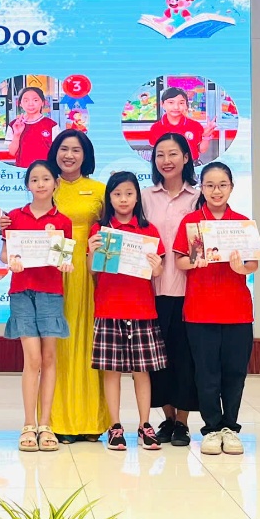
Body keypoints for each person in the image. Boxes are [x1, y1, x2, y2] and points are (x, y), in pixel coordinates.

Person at [174, 162, 256, 457]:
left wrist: (241, 267)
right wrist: (194, 262)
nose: (216, 191)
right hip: (200, 311)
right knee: (206, 373)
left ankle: (230, 428)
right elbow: (180, 261)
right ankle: (211, 429)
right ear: (202, 188)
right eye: (209, 185)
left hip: (237, 311)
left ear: (231, 187)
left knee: (234, 373)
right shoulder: (192, 223)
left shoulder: (242, 223)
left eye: (222, 185)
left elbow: (253, 264)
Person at [87, 172, 165, 452]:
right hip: (109, 308)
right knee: (111, 371)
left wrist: (156, 267)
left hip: (142, 309)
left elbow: (158, 271)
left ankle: (145, 425)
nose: (123, 199)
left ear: (137, 197)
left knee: (142, 371)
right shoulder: (100, 230)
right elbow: (92, 270)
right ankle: (115, 426)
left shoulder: (148, 230)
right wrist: (91, 252)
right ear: (109, 197)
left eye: (129, 193)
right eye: (117, 194)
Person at [2, 160, 74, 453]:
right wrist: (12, 260)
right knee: (32, 359)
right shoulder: (14, 217)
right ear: (27, 185)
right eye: (34, 179)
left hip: (51, 293)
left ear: (56, 182)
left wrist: (67, 264)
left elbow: (64, 257)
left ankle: (45, 425)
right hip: (21, 292)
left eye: (46, 178)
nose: (40, 184)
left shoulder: (63, 221)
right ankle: (28, 424)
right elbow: (5, 254)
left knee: (48, 358)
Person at [46, 130, 110, 443]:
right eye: (63, 149)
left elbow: (114, 227)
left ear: (86, 155)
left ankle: (92, 421)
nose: (69, 155)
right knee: (59, 343)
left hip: (91, 270)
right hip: (55, 269)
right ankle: (59, 421)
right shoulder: (46, 185)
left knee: (91, 342)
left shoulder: (100, 190)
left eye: (76, 150)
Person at [142, 132, 200, 447]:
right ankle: (166, 417)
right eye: (160, 155)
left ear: (186, 157)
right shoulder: (144, 196)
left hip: (191, 290)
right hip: (151, 290)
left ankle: (182, 422)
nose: (166, 160)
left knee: (185, 358)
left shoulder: (199, 197)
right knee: (157, 359)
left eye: (173, 153)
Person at [147, 87, 215, 163]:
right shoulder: (156, 128)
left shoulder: (195, 125)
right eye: (171, 102)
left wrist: (206, 136)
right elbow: (155, 151)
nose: (176, 107)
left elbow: (201, 150)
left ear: (186, 105)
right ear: (162, 104)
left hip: (191, 164)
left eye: (181, 103)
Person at [6, 86, 58, 169]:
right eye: (26, 100)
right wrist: (17, 134)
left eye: (35, 100)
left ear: (43, 102)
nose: (30, 104)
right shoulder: (14, 125)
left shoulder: (52, 125)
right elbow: (12, 152)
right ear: (20, 103)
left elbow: (57, 152)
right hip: (23, 170)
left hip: (46, 171)